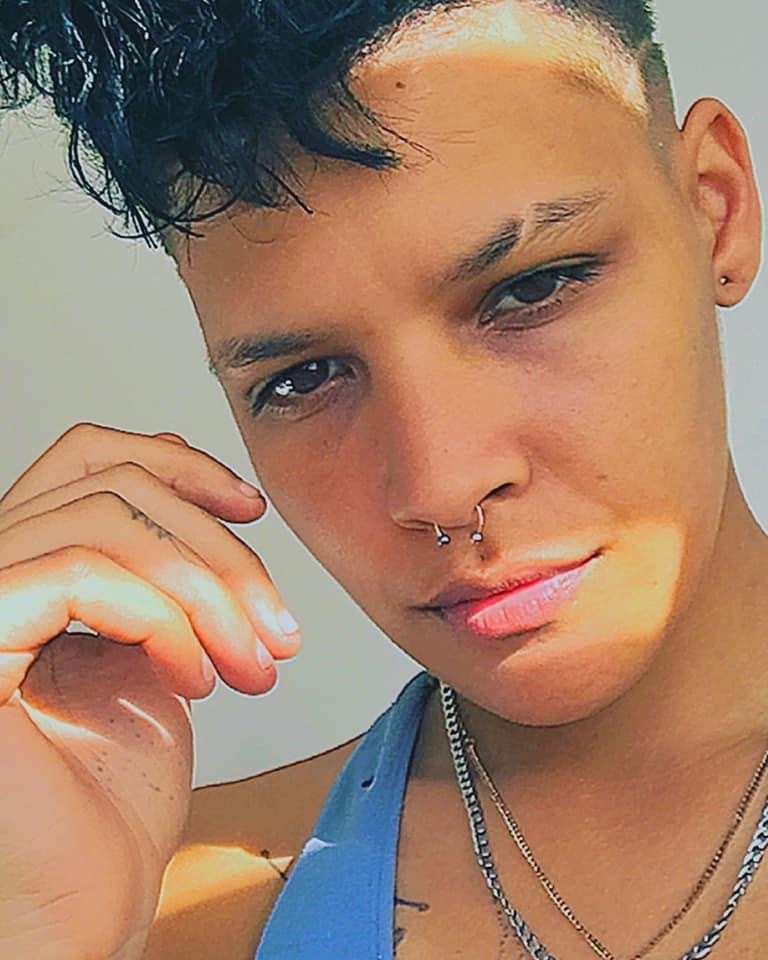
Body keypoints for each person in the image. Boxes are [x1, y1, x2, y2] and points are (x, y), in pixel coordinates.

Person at [0, 0, 766, 958]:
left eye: (531, 288)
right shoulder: (155, 909)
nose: (440, 485)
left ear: (716, 207)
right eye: (304, 378)